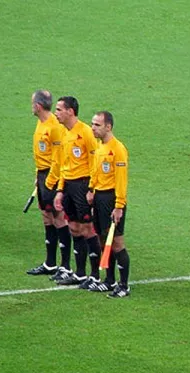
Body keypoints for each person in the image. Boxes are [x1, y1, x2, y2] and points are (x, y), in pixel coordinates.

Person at [52, 96, 101, 288]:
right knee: (73, 227)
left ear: (70, 111)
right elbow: (64, 165)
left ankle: (95, 274)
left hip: (83, 185)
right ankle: (80, 274)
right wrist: (60, 190)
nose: (56, 113)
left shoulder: (86, 133)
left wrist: (91, 188)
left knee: (88, 229)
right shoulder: (64, 133)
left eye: (59, 109)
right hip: (69, 186)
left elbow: (94, 162)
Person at [26, 90, 72, 276]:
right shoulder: (41, 122)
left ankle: (66, 265)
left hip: (53, 176)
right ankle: (50, 263)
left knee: (59, 217)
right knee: (47, 216)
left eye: (32, 104)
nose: (31, 107)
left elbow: (58, 158)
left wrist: (51, 181)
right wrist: (38, 176)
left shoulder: (54, 127)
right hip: (43, 175)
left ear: (38, 106)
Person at [87, 111, 131, 298]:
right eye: (92, 124)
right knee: (103, 239)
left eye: (97, 125)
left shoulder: (118, 149)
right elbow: (96, 171)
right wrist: (91, 189)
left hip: (112, 199)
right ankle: (109, 280)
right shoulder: (100, 146)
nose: (93, 128)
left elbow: (121, 180)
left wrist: (119, 206)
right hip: (99, 198)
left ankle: (124, 285)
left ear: (108, 127)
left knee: (117, 243)